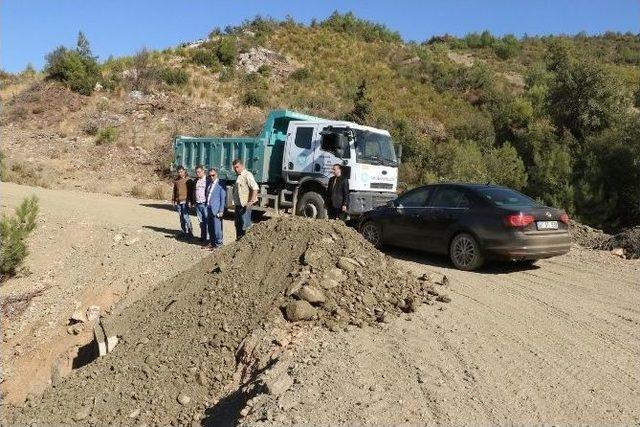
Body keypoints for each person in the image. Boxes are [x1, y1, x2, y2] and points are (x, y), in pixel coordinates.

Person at [231, 159, 259, 240]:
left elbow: (255, 188)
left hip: (244, 206)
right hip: (238, 205)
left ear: (242, 166)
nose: (236, 169)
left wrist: (250, 201)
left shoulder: (247, 175)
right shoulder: (239, 176)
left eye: (237, 167)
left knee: (245, 226)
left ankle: (245, 246)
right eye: (234, 168)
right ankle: (238, 244)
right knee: (238, 225)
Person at [203, 168, 225, 250]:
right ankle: (212, 243)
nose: (211, 177)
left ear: (216, 175)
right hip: (209, 208)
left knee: (217, 228)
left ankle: (219, 244)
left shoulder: (220, 184)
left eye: (213, 175)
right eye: (210, 175)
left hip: (216, 210)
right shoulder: (209, 183)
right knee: (211, 227)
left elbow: (223, 198)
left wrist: (221, 210)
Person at [172, 166, 194, 238]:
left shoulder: (189, 180)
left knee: (186, 216)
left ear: (184, 171)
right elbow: (174, 191)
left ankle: (190, 232)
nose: (180, 173)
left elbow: (191, 192)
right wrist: (173, 200)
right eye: (178, 172)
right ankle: (183, 231)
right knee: (181, 217)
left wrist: (191, 201)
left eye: (181, 172)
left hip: (185, 201)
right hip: (178, 201)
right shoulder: (176, 181)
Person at [192, 165, 209, 243]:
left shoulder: (208, 180)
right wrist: (193, 201)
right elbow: (193, 191)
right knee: (201, 222)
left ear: (203, 171)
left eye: (199, 172)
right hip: (198, 204)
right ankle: (203, 237)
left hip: (205, 204)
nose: (197, 174)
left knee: (207, 221)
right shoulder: (196, 181)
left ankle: (209, 238)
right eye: (196, 172)